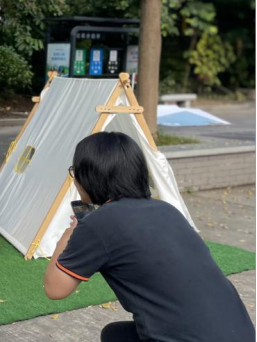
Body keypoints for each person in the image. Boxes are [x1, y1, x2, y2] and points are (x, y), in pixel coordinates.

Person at [44, 132, 255, 342]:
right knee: (116, 335)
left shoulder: (98, 223)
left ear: (88, 177)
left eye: (75, 173)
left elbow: (55, 288)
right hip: (242, 334)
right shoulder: (167, 210)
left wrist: (70, 232)